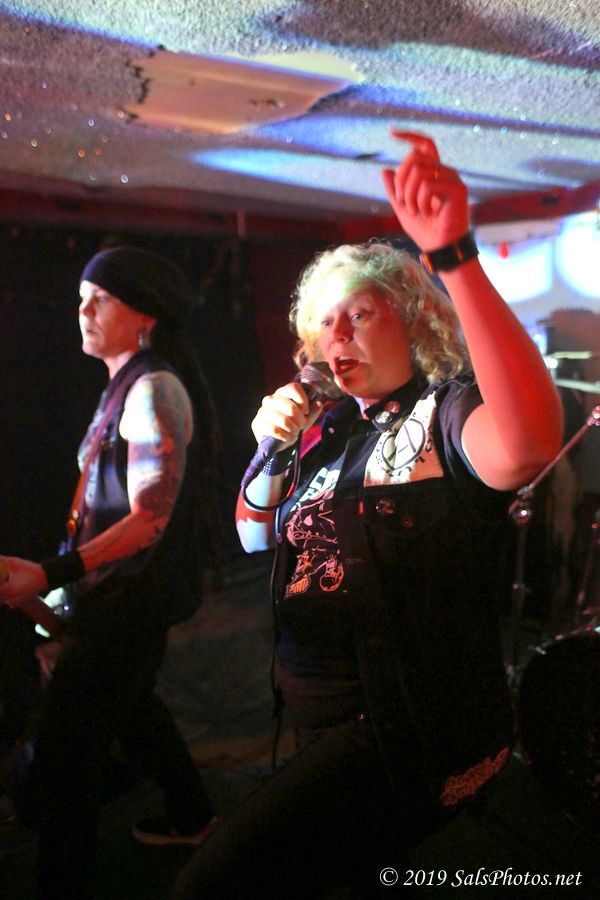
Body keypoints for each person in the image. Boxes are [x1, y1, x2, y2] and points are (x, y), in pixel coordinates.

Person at [172, 132, 563, 900]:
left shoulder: (445, 413)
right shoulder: (326, 432)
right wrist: (273, 447)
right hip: (321, 725)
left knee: (208, 887)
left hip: (406, 729)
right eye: (325, 323)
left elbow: (527, 446)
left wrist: (454, 255)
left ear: (413, 324)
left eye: (359, 313)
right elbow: (253, 536)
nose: (338, 335)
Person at [0, 245, 222, 898]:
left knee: (65, 769)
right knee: (133, 710)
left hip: (127, 604)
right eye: (80, 300)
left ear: (144, 314)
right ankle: (193, 815)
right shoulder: (128, 384)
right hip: (113, 599)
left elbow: (150, 519)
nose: (84, 311)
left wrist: (50, 573)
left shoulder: (152, 387)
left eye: (100, 299)